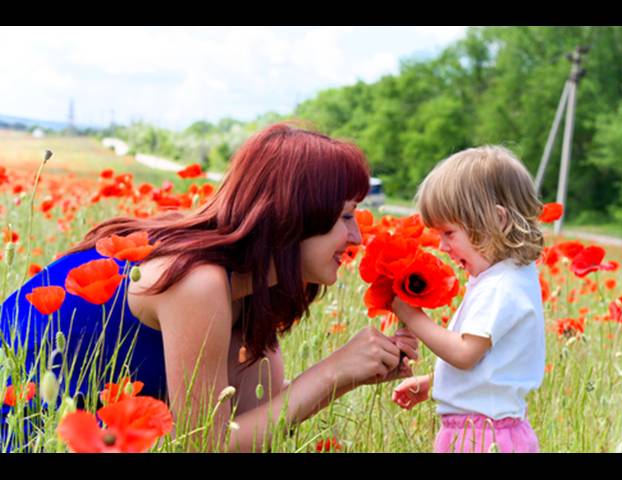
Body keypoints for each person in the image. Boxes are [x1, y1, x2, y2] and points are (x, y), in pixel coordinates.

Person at [0, 123, 418, 452]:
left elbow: (253, 418)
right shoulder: (196, 280)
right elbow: (204, 443)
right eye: (346, 217)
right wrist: (333, 371)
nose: (356, 238)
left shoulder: (251, 290)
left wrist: (351, 374)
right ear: (294, 216)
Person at [391, 146, 545, 453]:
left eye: (449, 233)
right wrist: (434, 381)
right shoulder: (511, 277)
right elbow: (492, 367)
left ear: (496, 221)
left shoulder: (499, 287)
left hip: (481, 438)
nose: (442, 246)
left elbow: (464, 353)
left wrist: (411, 314)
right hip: (492, 432)